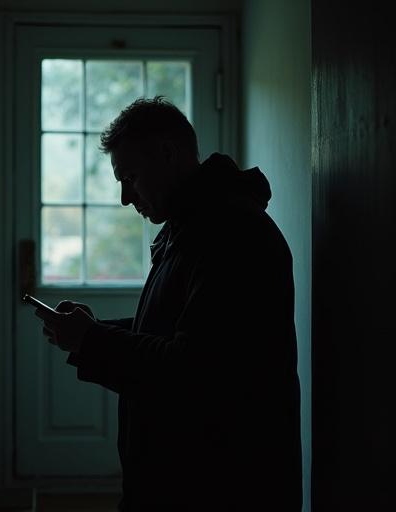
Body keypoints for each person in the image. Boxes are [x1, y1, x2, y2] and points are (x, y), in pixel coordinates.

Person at [34, 96, 303, 511]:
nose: (126, 198)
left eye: (131, 177)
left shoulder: (229, 236)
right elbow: (181, 329)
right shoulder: (195, 226)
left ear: (167, 153)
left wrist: (92, 340)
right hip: (192, 478)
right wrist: (95, 330)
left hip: (219, 487)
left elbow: (192, 372)